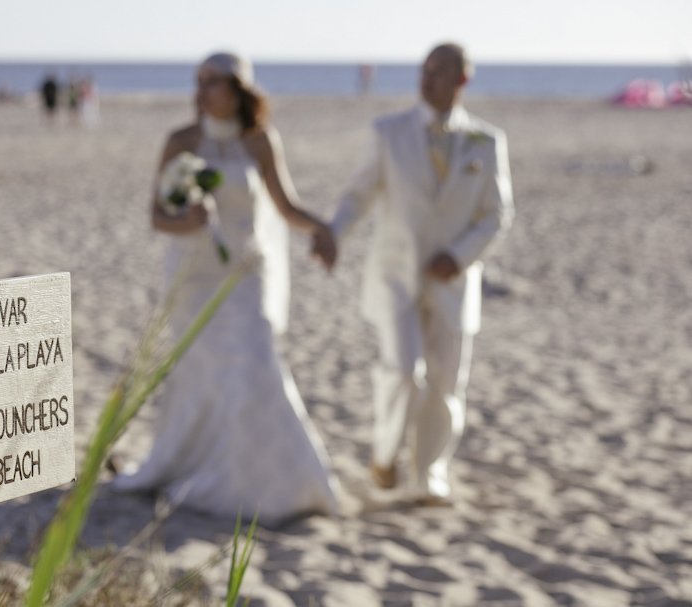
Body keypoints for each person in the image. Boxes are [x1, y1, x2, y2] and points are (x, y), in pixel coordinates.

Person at [111, 51, 339, 526]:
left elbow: (285, 204)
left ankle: (264, 481)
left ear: (238, 89)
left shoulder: (259, 141)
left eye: (212, 81)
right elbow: (156, 215)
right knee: (201, 373)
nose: (201, 90)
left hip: (245, 275)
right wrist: (186, 219)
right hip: (193, 276)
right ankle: (201, 467)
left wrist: (321, 228)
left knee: (256, 364)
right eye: (197, 80)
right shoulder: (181, 141)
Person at [327, 43, 514, 506]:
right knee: (404, 370)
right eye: (424, 70)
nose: (427, 79)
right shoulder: (388, 132)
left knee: (447, 382)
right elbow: (358, 194)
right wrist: (333, 233)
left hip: (453, 283)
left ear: (461, 80)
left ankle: (431, 470)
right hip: (395, 278)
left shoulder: (485, 142)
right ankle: (385, 455)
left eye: (439, 72)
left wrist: (459, 255)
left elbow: (496, 215)